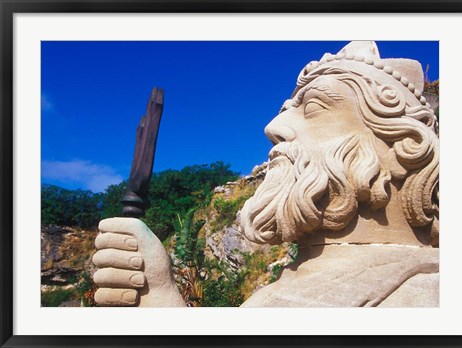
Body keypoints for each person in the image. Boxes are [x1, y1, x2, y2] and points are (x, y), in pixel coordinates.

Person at [93, 41, 439, 307]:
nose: (273, 128)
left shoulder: (431, 295)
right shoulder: (288, 284)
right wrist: (162, 298)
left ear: (404, 145)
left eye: (313, 108)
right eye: (287, 110)